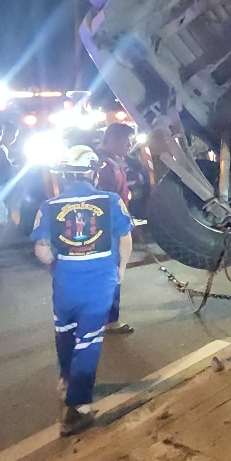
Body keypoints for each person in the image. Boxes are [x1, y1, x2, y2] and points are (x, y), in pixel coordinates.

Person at [32, 145, 134, 436]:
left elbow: (41, 250)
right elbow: (125, 239)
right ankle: (79, 408)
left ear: (63, 174)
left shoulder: (48, 206)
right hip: (98, 283)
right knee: (88, 341)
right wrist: (121, 270)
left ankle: (66, 381)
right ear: (92, 172)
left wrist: (57, 264)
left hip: (65, 283)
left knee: (65, 333)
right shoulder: (110, 200)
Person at [94, 122, 137, 335]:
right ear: (110, 140)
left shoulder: (112, 163)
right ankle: (109, 320)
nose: (129, 145)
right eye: (125, 140)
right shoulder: (103, 167)